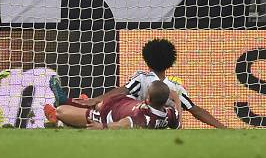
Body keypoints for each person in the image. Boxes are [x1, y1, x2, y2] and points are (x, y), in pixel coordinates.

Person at [50, 38, 227, 128]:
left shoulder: (142, 78)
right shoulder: (176, 89)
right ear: (170, 63)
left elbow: (121, 90)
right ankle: (70, 108)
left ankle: (69, 105)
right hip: (140, 116)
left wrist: (97, 98)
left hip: (123, 112)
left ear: (147, 60)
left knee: (100, 106)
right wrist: (222, 127)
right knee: (101, 107)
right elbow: (196, 110)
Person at [45, 80, 181, 130]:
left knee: (60, 111)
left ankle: (61, 111)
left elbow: (124, 124)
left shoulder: (143, 117)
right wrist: (177, 98)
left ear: (148, 98)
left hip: (104, 115)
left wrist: (102, 126)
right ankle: (78, 104)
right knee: (95, 104)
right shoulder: (169, 114)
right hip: (121, 101)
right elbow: (178, 123)